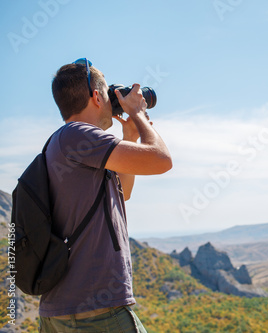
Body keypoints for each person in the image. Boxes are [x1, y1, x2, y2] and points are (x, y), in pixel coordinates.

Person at [38, 58, 172, 332]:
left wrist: (130, 137)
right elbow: (162, 160)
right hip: (95, 313)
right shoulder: (78, 135)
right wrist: (137, 113)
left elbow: (123, 195)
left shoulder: (68, 143)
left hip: (66, 311)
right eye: (110, 95)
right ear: (97, 97)